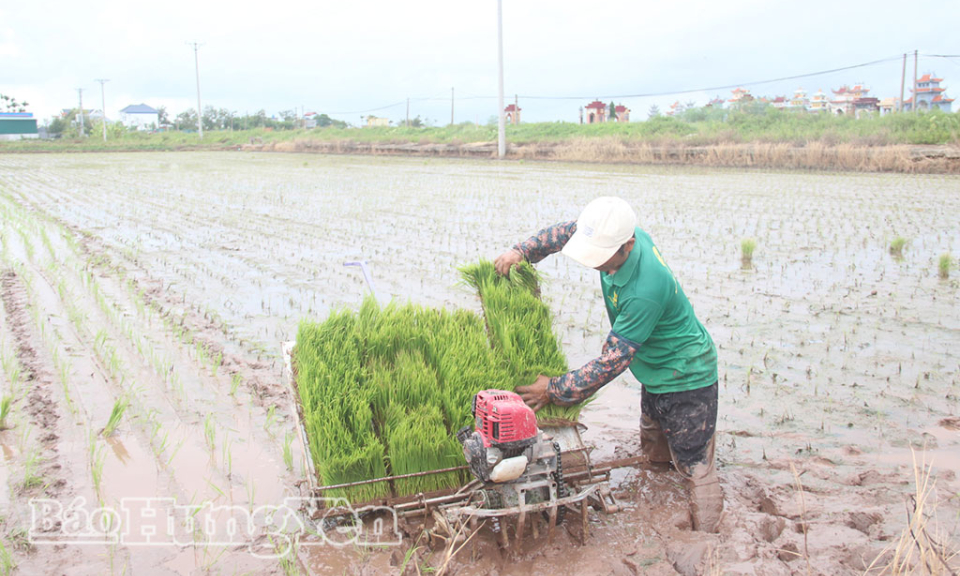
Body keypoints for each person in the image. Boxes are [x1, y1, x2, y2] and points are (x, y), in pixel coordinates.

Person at [496, 196, 723, 532]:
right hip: (654, 371)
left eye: (600, 257)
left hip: (688, 377)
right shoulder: (614, 232)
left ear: (628, 246)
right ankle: (660, 508)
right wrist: (521, 251)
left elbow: (613, 361)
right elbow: (563, 234)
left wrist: (553, 389)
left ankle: (708, 539)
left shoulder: (646, 288)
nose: (594, 263)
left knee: (694, 465)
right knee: (655, 450)